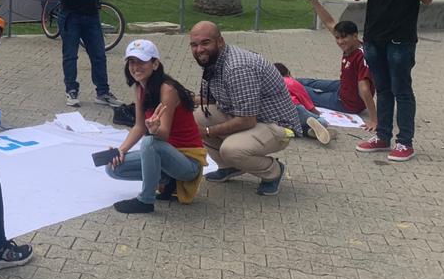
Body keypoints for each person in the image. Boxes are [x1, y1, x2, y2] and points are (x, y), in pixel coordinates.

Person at [343, 0, 433, 161]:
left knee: (401, 90)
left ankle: (405, 142)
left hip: (401, 41)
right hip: (373, 39)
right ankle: (382, 136)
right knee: (382, 89)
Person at [189, 21, 301, 196]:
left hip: (276, 125)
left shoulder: (237, 67)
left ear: (220, 41)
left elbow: (247, 120)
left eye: (205, 43)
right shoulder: (212, 61)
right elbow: (208, 98)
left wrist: (208, 131)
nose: (199, 49)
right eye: (194, 45)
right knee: (193, 118)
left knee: (231, 149)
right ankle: (230, 167)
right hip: (247, 116)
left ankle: (273, 171)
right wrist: (177, 96)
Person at [105, 40, 207, 214]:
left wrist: (153, 130)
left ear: (155, 64)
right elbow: (138, 126)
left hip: (188, 162)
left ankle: (145, 201)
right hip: (168, 156)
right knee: (113, 167)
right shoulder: (139, 88)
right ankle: (168, 181)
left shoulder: (167, 89)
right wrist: (121, 151)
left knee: (150, 143)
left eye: (141, 61)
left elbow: (163, 134)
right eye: (131, 62)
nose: (135, 67)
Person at [297, 0, 377, 133]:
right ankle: (286, 81)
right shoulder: (353, 45)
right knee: (304, 82)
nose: (340, 42)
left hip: (347, 103)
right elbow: (328, 21)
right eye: (337, 38)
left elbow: (365, 89)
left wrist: (374, 119)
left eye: (344, 38)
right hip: (343, 87)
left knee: (298, 89)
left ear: (355, 35)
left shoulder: (361, 56)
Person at [274, 63, 332, 145]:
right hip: (294, 109)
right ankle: (315, 128)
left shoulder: (270, 83)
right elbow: (308, 103)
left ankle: (307, 132)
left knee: (287, 128)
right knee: (322, 122)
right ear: (288, 73)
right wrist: (317, 114)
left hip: (276, 113)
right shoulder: (291, 82)